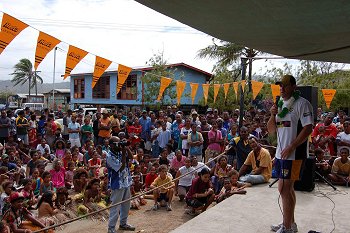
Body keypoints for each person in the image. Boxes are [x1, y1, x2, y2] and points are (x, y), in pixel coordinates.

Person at [267, 75, 313, 233]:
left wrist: (292, 146)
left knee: (285, 189)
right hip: (281, 153)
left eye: (285, 86)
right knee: (284, 189)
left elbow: (308, 128)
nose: (282, 88)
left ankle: (287, 227)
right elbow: (271, 130)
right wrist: (272, 114)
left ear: (294, 87)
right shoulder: (280, 104)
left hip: (294, 154)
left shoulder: (302, 104)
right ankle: (289, 223)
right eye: (280, 85)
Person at [106, 136, 135, 233]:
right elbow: (121, 168)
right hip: (117, 184)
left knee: (126, 204)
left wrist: (126, 147)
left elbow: (131, 158)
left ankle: (123, 223)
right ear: (111, 145)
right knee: (116, 206)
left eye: (119, 143)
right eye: (117, 143)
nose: (119, 145)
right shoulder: (109, 156)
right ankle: (111, 227)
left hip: (126, 181)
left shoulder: (120, 151)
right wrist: (123, 153)